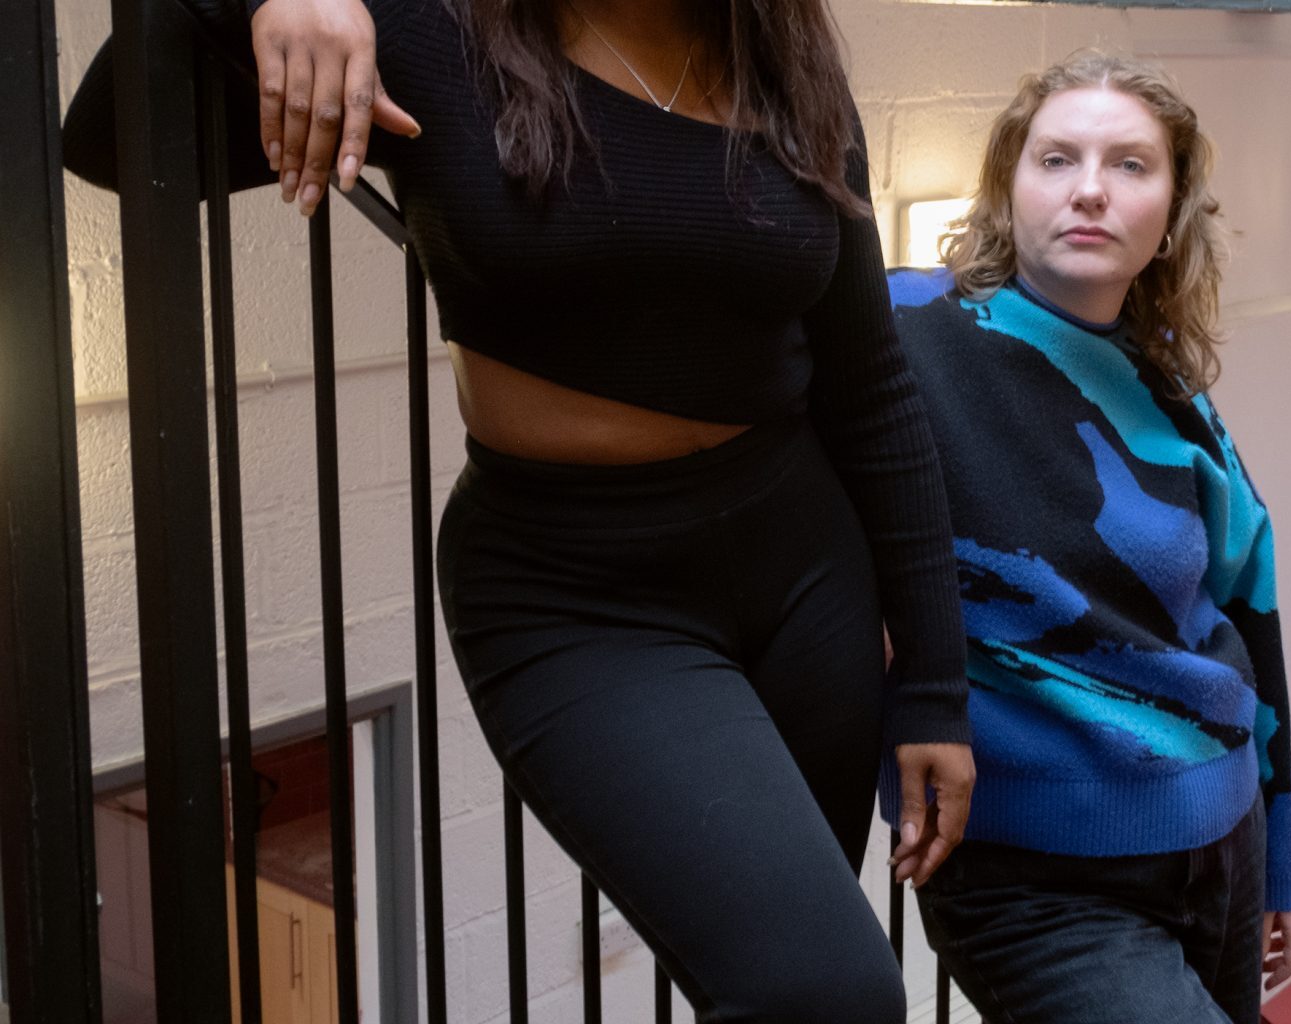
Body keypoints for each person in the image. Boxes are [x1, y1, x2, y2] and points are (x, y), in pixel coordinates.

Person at [61, 1, 976, 1020]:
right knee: (829, 994)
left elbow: (871, 387)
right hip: (576, 592)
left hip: (808, 575)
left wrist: (935, 679)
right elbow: (107, 133)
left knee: (769, 977)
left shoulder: (785, 61)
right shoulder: (431, 32)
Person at [882, 51, 1291, 1024]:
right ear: (1005, 186)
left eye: (1128, 165)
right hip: (1030, 871)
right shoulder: (909, 329)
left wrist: (1287, 848)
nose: (1088, 190)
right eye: (1055, 159)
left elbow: (1251, 618)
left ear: (1171, 212)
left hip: (1221, 834)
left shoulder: (1172, 391)